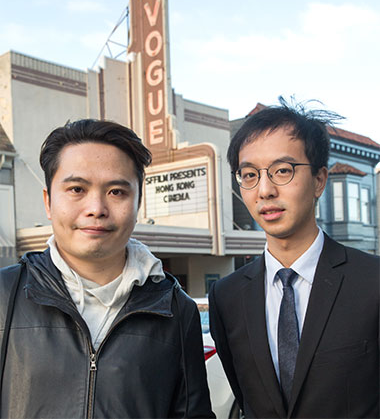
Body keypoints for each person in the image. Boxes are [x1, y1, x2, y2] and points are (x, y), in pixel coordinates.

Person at [0, 119, 214, 419]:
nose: (96, 208)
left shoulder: (177, 310)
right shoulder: (4, 296)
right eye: (77, 189)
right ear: (48, 202)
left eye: (116, 192)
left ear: (138, 203)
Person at [209, 102, 379, 418]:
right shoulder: (227, 296)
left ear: (319, 180)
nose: (265, 190)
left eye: (283, 171)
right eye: (249, 175)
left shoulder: (372, 282)